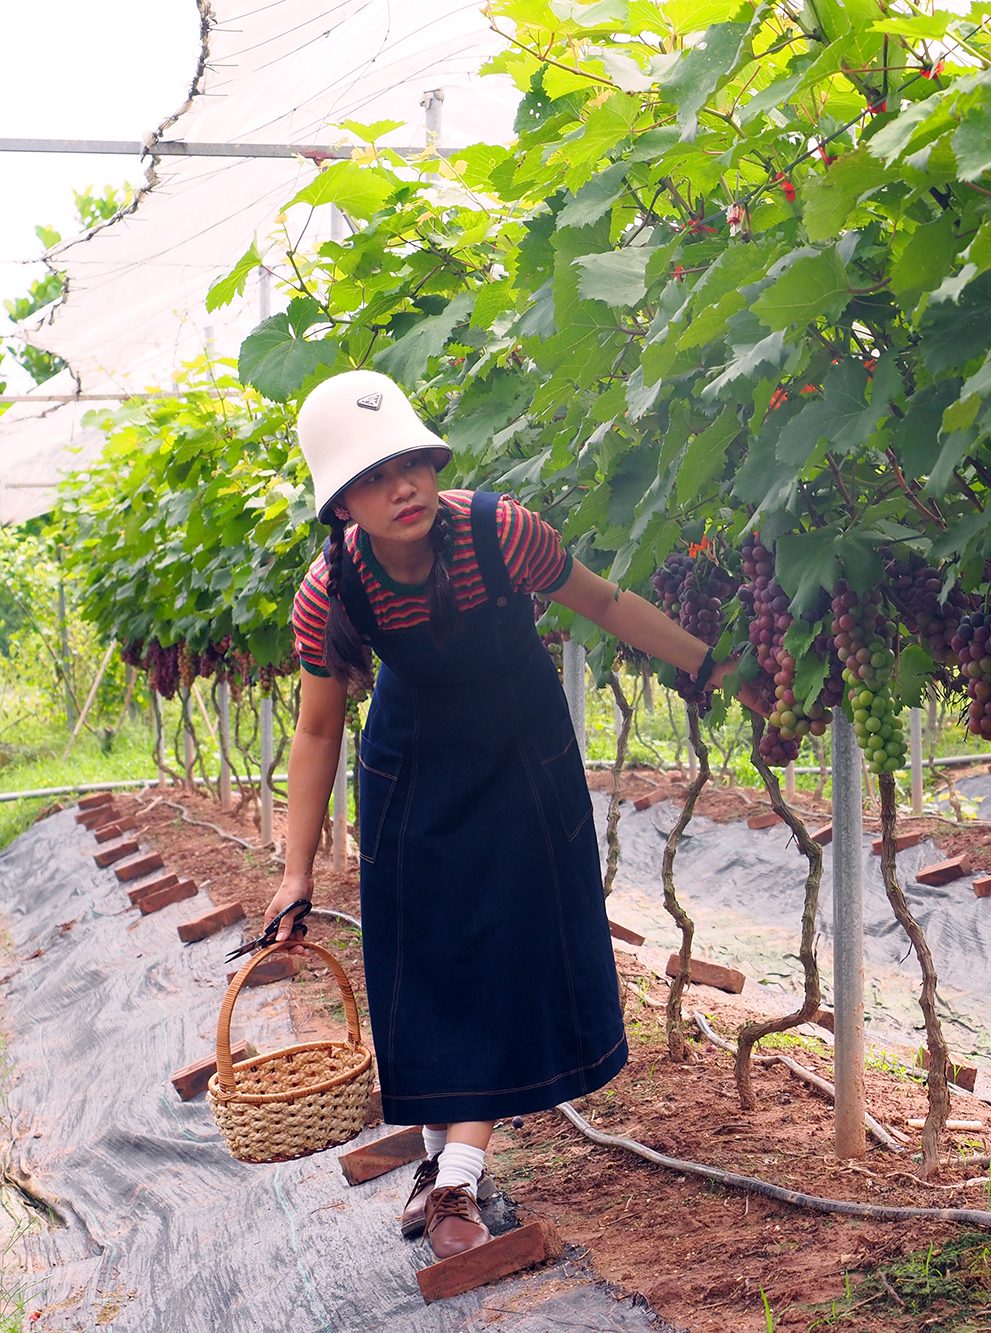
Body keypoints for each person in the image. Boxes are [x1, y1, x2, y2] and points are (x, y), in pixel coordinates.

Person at [261, 369, 725, 1260]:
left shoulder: (499, 533)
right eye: (371, 476)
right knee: (426, 962)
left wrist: (705, 664)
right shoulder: (332, 591)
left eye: (412, 463)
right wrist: (295, 871)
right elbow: (318, 728)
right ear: (342, 504)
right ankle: (446, 1176)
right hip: (410, 767)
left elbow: (604, 603)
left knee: (501, 953)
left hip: (521, 756)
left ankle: (454, 1184)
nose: (402, 487)